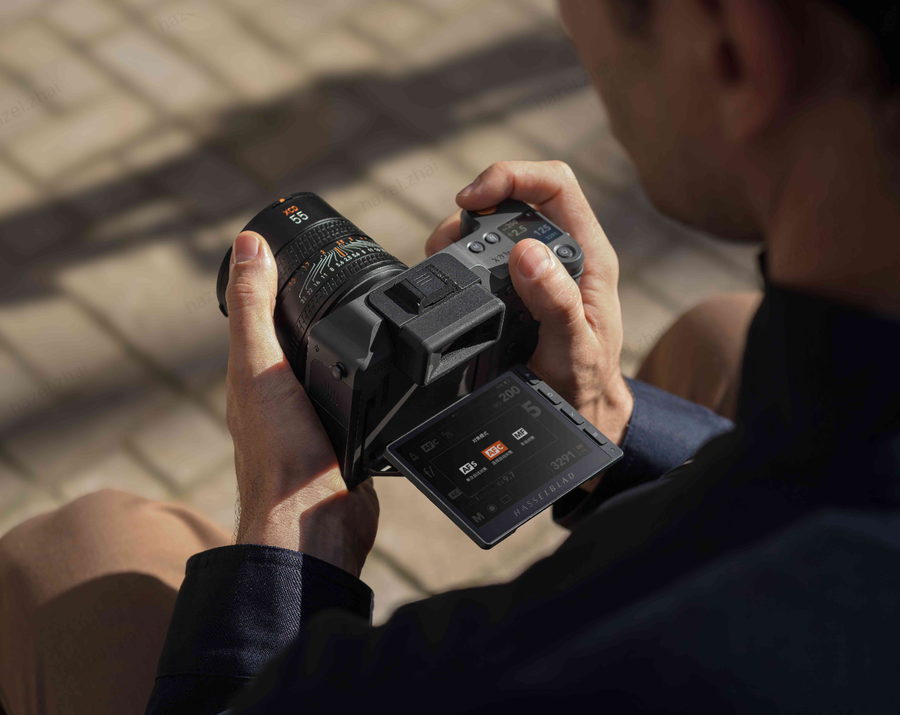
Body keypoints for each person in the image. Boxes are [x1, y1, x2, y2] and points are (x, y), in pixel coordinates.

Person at [1, 0, 899, 712]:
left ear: (737, 47)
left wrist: (294, 531)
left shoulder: (513, 664)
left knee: (79, 551)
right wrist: (604, 422)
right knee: (722, 334)